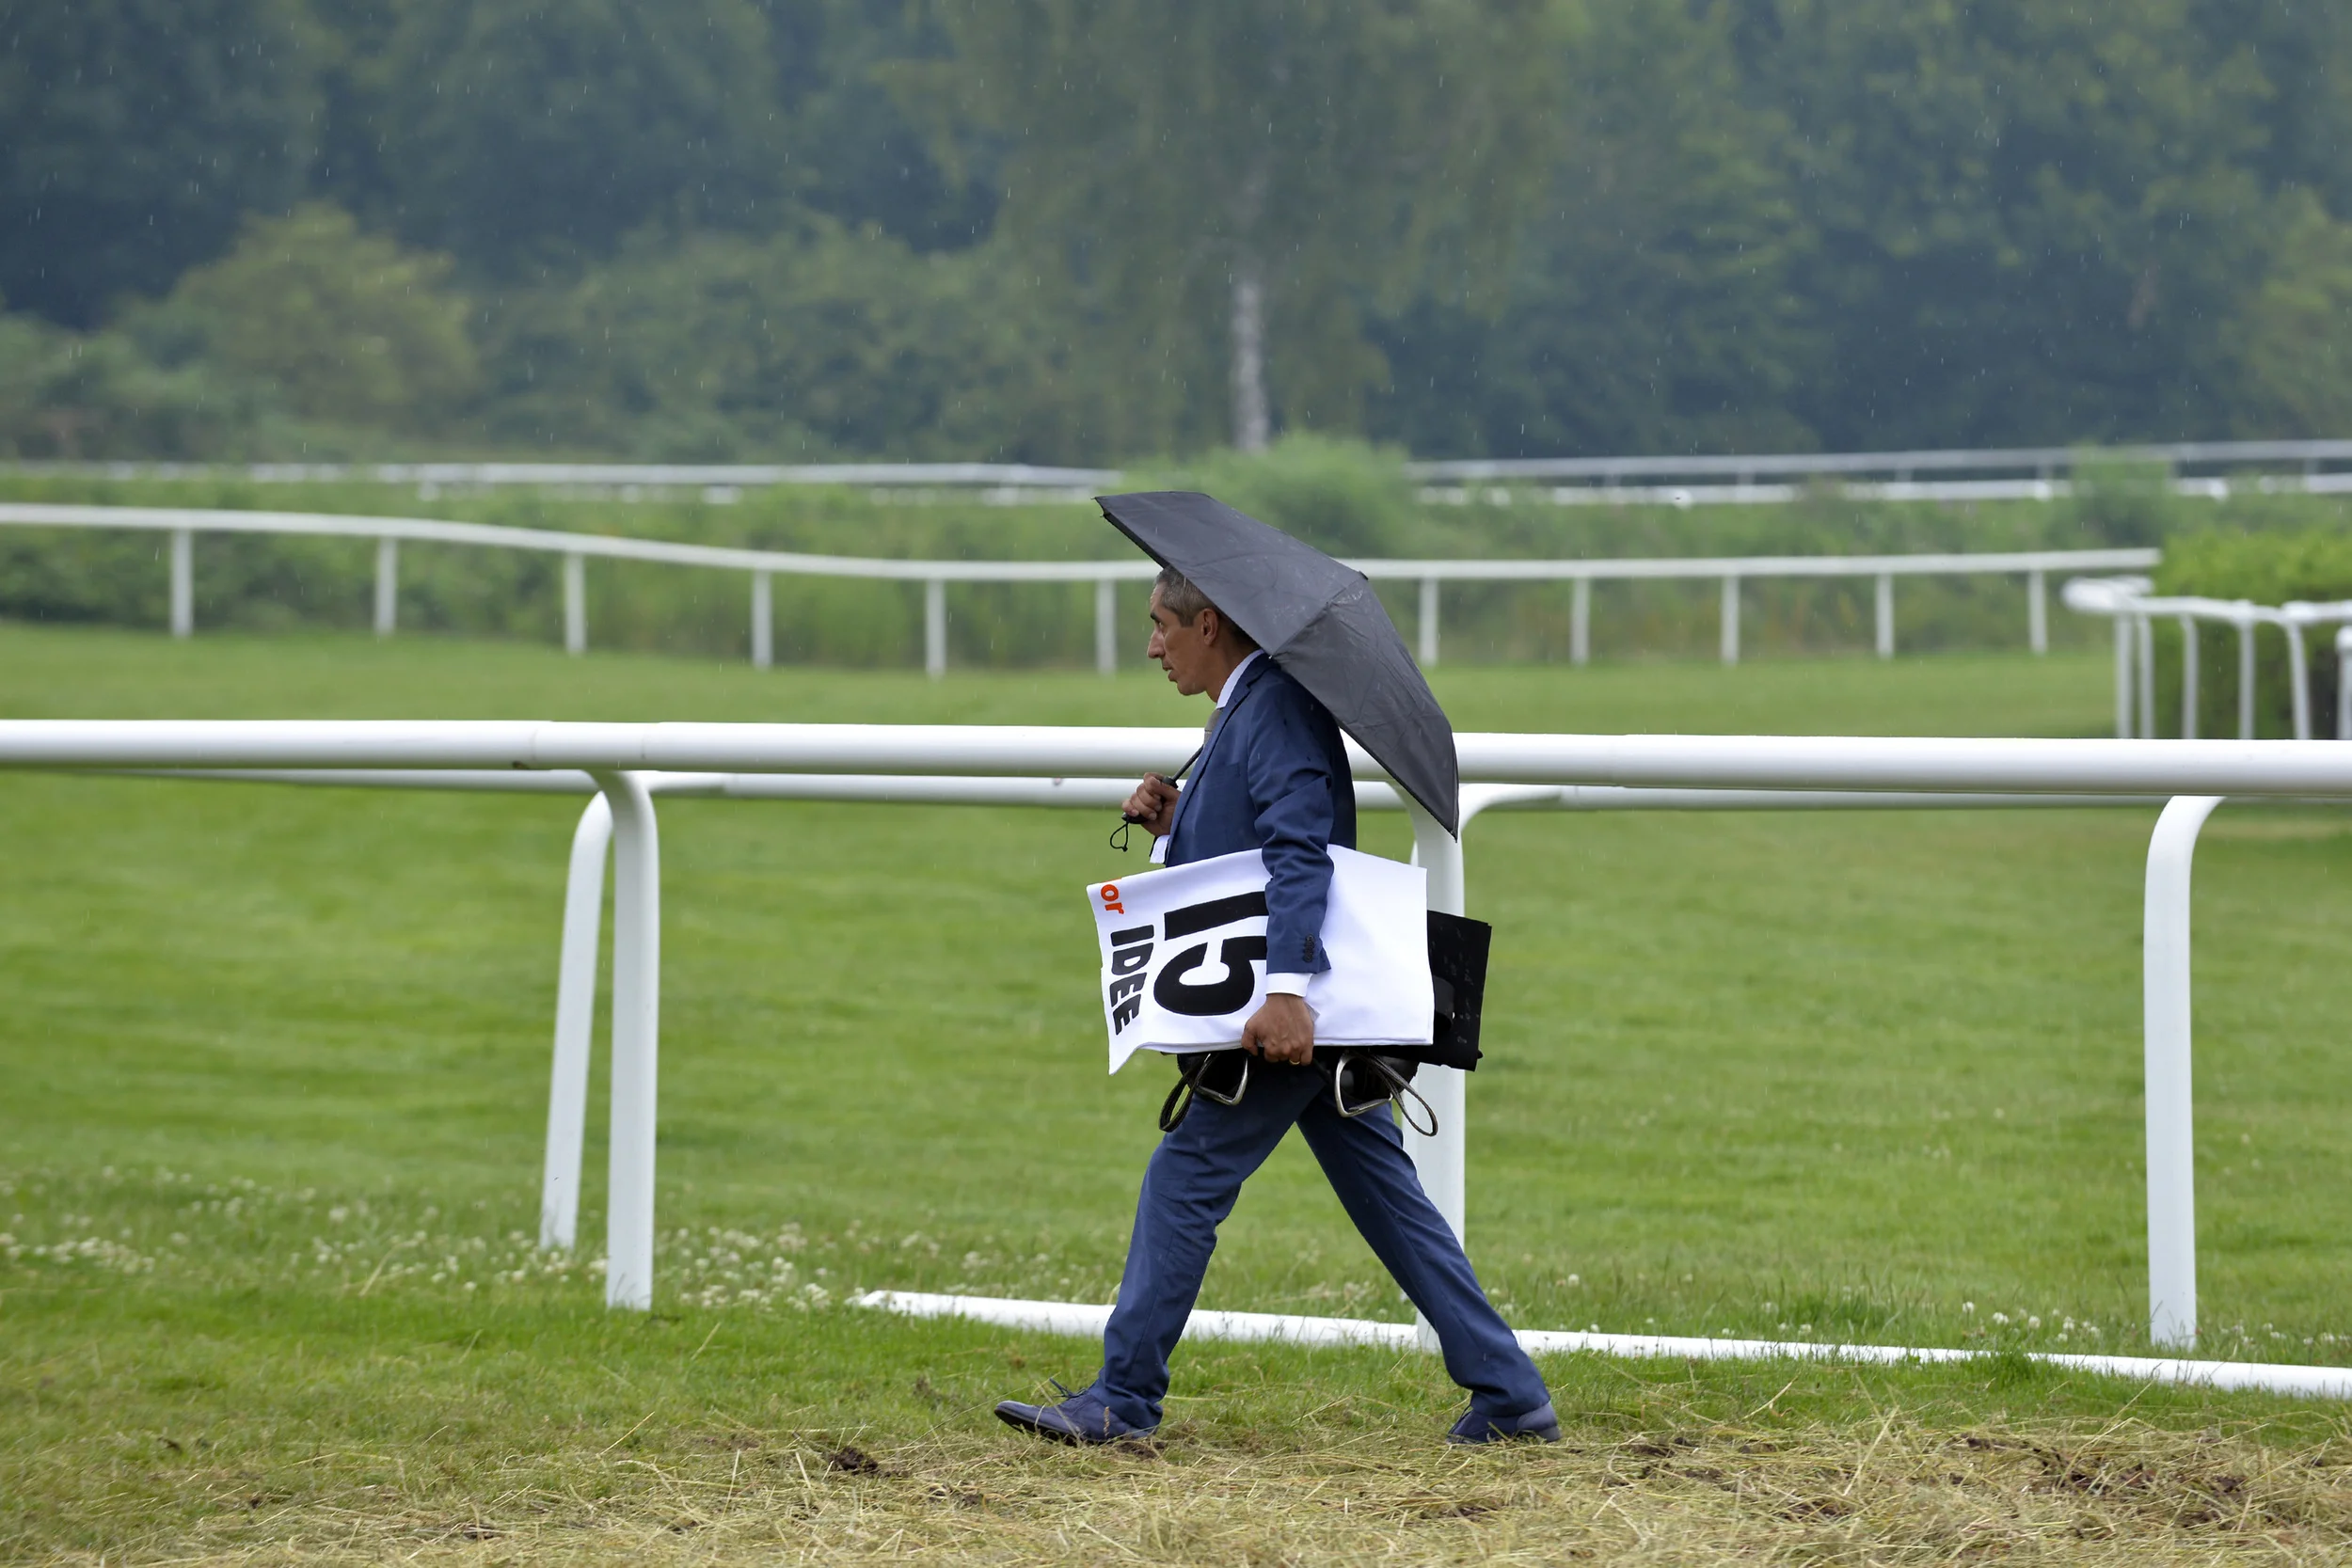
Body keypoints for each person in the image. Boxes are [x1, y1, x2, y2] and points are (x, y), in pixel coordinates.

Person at [993, 567, 1558, 1447]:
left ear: (1208, 621)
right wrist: (1172, 821)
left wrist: (1287, 989)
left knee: (1182, 1183)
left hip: (1287, 1011)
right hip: (1311, 1009)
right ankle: (1512, 1396)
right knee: (1390, 1203)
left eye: (1160, 627)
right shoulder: (1248, 707)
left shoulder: (1278, 709)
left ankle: (1122, 1399)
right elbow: (1250, 842)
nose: (1151, 646)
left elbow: (1303, 854)